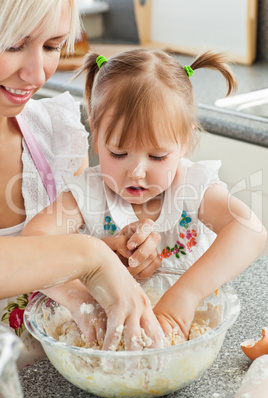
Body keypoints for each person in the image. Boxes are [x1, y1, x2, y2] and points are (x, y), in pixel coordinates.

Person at [22, 49, 267, 343]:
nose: (137, 172)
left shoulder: (193, 188)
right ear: (96, 134)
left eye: (157, 156)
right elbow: (32, 245)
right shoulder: (89, 193)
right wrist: (83, 299)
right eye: (119, 153)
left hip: (187, 341)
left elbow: (250, 229)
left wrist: (185, 296)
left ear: (185, 142)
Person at [0, 0, 163, 369]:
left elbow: (64, 261)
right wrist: (88, 255)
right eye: (13, 45)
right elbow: (77, 254)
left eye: (52, 46)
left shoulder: (55, 134)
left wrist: (114, 254)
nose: (37, 75)